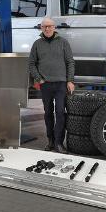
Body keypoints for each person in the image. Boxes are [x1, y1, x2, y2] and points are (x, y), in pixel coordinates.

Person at [29, 17, 75, 153]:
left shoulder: (63, 43)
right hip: (45, 85)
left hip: (61, 84)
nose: (47, 29)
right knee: (48, 113)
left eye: (50, 26)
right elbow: (31, 64)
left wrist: (70, 80)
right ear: (41, 28)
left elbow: (70, 62)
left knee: (60, 113)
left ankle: (59, 142)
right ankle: (50, 141)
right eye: (44, 27)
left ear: (54, 28)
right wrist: (39, 79)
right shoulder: (37, 44)